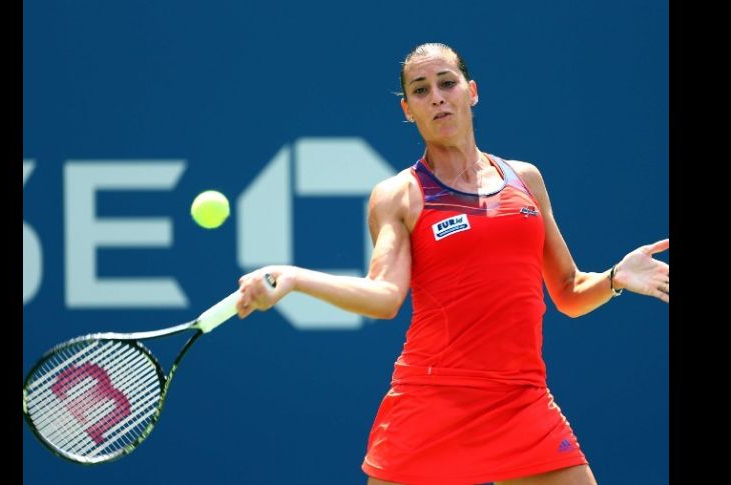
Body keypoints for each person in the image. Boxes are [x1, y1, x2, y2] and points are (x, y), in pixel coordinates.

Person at [234, 43, 669, 485]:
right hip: (431, 402)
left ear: (471, 91)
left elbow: (570, 292)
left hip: (521, 400)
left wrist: (615, 277)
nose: (437, 97)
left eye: (447, 83)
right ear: (408, 109)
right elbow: (384, 297)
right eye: (421, 90)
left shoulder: (526, 180)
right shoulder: (400, 195)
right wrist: (293, 277)